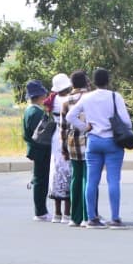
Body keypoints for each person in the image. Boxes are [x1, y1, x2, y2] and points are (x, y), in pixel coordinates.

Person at [65, 67, 132, 228]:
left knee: (92, 181)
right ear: (108, 81)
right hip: (112, 142)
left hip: (93, 141)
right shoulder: (115, 97)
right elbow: (127, 122)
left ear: (93, 82)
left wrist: (84, 127)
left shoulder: (87, 98)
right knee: (113, 180)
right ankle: (115, 218)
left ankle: (92, 218)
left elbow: (70, 116)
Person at [59, 71, 90, 228]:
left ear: (72, 84)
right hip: (88, 141)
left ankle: (74, 217)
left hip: (72, 143)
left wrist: (63, 149)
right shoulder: (90, 97)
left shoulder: (66, 102)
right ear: (86, 82)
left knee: (76, 178)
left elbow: (63, 128)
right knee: (88, 178)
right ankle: (87, 215)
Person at [22, 79, 53, 222]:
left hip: (35, 149)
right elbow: (40, 133)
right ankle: (40, 211)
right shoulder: (36, 112)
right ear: (40, 96)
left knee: (39, 179)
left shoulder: (30, 110)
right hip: (40, 149)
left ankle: (41, 210)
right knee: (41, 181)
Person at [47, 73, 73, 222]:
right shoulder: (68, 100)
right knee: (68, 173)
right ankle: (67, 213)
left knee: (56, 172)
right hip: (67, 135)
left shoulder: (53, 99)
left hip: (56, 136)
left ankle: (56, 213)